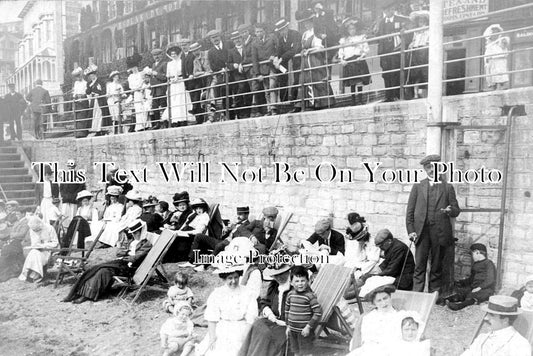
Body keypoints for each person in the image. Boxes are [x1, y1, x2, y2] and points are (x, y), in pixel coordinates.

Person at [406, 154, 461, 293]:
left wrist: (450, 210)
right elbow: (410, 212)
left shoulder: (448, 187)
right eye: (428, 167)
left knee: (436, 265)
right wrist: (411, 230)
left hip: (440, 232)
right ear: (425, 169)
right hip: (422, 232)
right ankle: (417, 294)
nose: (431, 170)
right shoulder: (418, 186)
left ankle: (433, 295)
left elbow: (456, 210)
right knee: (420, 266)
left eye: (434, 167)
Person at [63, 219, 152, 304]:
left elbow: (135, 258)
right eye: (133, 233)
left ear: (141, 231)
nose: (134, 235)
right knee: (95, 269)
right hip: (121, 263)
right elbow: (118, 252)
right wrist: (128, 252)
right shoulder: (133, 242)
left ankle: (88, 295)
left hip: (129, 268)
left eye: (136, 233)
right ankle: (78, 293)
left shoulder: (146, 244)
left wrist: (125, 256)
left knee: (103, 271)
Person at [198, 264, 258, 356]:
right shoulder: (217, 293)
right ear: (224, 279)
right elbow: (212, 317)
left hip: (242, 327)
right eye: (230, 278)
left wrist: (245, 337)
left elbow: (251, 317)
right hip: (223, 327)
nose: (233, 281)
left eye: (236, 277)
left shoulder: (247, 292)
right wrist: (212, 337)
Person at [238, 263, 291, 356]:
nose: (278, 278)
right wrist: (270, 314)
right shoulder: (274, 285)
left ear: (288, 271)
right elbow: (265, 302)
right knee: (257, 325)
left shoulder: (297, 285)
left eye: (281, 274)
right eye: (276, 275)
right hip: (274, 321)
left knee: (265, 334)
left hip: (288, 326)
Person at [347, 277, 403, 355]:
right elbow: (358, 340)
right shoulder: (367, 317)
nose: (384, 303)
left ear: (390, 297)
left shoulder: (399, 315)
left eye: (385, 298)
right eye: (379, 301)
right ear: (374, 303)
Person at [461, 295, 531, 356]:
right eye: (486, 314)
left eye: (491, 315)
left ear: (505, 320)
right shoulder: (482, 338)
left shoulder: (520, 344)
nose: (485, 318)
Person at [295, 9, 335, 111]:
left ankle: (322, 102)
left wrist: (310, 50)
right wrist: (303, 50)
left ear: (312, 22)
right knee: (306, 79)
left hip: (315, 59)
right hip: (306, 61)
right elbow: (303, 46)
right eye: (305, 23)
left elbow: (320, 47)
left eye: (308, 22)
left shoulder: (317, 32)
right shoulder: (305, 34)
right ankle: (309, 104)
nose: (306, 25)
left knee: (317, 78)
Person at [442, 243, 496, 311]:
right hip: (474, 287)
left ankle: (459, 306)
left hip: (485, 289)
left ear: (477, 252)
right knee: (463, 292)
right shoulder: (475, 265)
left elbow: (490, 279)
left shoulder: (488, 263)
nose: (472, 257)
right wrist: (460, 282)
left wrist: (479, 288)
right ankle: (445, 300)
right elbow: (471, 279)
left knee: (473, 296)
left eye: (472, 254)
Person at [285, 265, 322, 356]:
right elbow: (287, 311)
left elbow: (318, 312)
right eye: (297, 281)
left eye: (303, 280)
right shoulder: (290, 295)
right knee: (296, 351)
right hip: (292, 330)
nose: (300, 283)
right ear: (291, 283)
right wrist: (288, 326)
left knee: (306, 352)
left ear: (308, 281)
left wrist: (308, 327)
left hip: (304, 331)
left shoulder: (309, 296)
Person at [375, 1, 406, 102]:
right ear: (384, 11)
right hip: (384, 53)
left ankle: (396, 95)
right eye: (386, 10)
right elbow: (377, 37)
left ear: (393, 9)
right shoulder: (381, 22)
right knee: (386, 74)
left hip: (395, 51)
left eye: (391, 9)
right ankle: (388, 96)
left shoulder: (400, 20)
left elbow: (407, 33)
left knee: (395, 72)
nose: (389, 11)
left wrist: (403, 32)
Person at [338, 17, 371, 106]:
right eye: (350, 29)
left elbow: (366, 49)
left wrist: (362, 56)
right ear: (347, 30)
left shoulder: (361, 37)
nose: (352, 31)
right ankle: (353, 101)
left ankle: (360, 100)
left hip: (358, 60)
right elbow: (341, 52)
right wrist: (342, 60)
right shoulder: (344, 40)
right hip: (349, 61)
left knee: (359, 81)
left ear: (356, 29)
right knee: (352, 82)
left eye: (353, 28)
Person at [18, 216, 59, 283]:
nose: (36, 231)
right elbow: (35, 243)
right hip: (38, 250)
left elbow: (55, 243)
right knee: (34, 252)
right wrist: (36, 245)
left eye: (37, 230)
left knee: (35, 253)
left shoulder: (49, 228)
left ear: (40, 224)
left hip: (49, 250)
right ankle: (34, 274)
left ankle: (31, 274)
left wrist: (44, 245)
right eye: (34, 230)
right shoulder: (32, 230)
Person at [252, 23, 280, 116]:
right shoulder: (254, 43)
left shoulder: (272, 38)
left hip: (272, 66)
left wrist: (275, 55)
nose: (258, 33)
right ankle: (269, 109)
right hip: (263, 68)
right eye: (257, 32)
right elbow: (254, 60)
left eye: (260, 31)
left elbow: (279, 48)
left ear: (264, 31)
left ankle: (274, 108)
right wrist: (257, 74)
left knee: (272, 85)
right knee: (266, 89)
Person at [274, 18, 302, 104]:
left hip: (299, 61)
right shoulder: (281, 38)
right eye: (280, 31)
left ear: (287, 27)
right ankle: (284, 101)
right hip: (289, 61)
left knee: (297, 79)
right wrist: (276, 57)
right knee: (282, 77)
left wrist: (281, 58)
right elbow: (279, 51)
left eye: (283, 29)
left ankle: (296, 101)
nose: (282, 32)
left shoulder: (295, 34)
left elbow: (294, 50)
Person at [206, 30, 231, 122]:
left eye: (216, 36)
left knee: (236, 91)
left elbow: (233, 55)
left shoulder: (228, 44)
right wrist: (221, 69)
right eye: (213, 38)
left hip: (232, 72)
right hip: (221, 75)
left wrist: (228, 66)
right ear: (210, 40)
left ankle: (239, 113)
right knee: (224, 93)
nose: (215, 39)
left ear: (220, 36)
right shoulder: (211, 52)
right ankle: (227, 115)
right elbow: (212, 66)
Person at [0, 207, 30, 282]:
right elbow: (12, 231)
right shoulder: (17, 222)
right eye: (16, 214)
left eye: (18, 214)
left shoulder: (26, 222)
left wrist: (11, 234)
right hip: (12, 240)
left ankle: (4, 274)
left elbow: (22, 234)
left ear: (23, 214)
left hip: (19, 242)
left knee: (6, 251)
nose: (17, 216)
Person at [166, 43, 192, 127]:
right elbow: (168, 75)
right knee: (174, 101)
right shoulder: (169, 64)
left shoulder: (181, 61)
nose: (173, 55)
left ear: (178, 54)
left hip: (180, 82)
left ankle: (183, 119)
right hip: (173, 84)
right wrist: (171, 79)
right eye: (172, 54)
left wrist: (180, 78)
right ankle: (175, 120)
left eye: (175, 54)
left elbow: (184, 72)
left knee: (181, 99)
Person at [228, 31, 252, 120]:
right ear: (233, 41)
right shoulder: (231, 51)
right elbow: (228, 64)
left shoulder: (246, 47)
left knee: (248, 93)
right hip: (238, 75)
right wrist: (234, 65)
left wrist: (242, 63)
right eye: (235, 39)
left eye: (238, 38)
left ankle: (247, 113)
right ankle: (237, 103)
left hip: (248, 73)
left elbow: (250, 57)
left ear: (241, 38)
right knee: (242, 86)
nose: (237, 40)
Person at [406, 11, 429, 99]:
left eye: (423, 21)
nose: (421, 23)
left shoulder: (429, 30)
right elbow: (413, 41)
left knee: (425, 72)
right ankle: (415, 94)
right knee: (415, 73)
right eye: (420, 21)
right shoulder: (416, 32)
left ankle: (427, 93)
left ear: (426, 21)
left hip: (424, 51)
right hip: (416, 51)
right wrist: (411, 45)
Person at [185, 42, 208, 124]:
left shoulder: (206, 55)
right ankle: (199, 118)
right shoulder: (195, 60)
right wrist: (203, 73)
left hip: (204, 80)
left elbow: (209, 68)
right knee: (196, 97)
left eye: (196, 50)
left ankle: (204, 116)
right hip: (195, 80)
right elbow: (195, 73)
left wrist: (203, 72)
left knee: (202, 96)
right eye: (194, 51)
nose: (195, 52)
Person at [85, 64, 110, 136]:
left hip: (100, 100)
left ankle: (101, 129)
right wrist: (89, 87)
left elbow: (104, 91)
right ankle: (96, 129)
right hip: (93, 101)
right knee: (94, 114)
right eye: (90, 76)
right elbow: (87, 92)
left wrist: (98, 93)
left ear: (95, 74)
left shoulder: (100, 82)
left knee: (100, 114)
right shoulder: (89, 83)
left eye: (92, 75)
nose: (91, 77)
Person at [60, 159, 86, 228]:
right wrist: (64, 195)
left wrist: (75, 196)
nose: (70, 168)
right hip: (66, 199)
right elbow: (61, 187)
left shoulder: (79, 176)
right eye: (69, 167)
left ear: (74, 167)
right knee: (64, 215)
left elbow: (81, 187)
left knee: (72, 215)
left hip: (74, 199)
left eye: (72, 167)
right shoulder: (64, 176)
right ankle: (64, 229)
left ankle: (72, 229)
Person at [483, 24, 510, 90]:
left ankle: (502, 89)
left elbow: (505, 42)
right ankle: (493, 89)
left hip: (499, 61)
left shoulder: (501, 41)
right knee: (492, 78)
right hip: (491, 62)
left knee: (501, 77)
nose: (495, 34)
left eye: (497, 32)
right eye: (493, 32)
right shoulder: (489, 45)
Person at [126, 54, 149, 131]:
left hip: (142, 92)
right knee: (138, 109)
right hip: (136, 93)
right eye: (133, 68)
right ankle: (140, 126)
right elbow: (131, 86)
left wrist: (140, 85)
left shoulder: (141, 74)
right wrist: (138, 86)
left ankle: (146, 124)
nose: (134, 69)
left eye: (135, 67)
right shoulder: (130, 77)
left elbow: (143, 83)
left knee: (145, 107)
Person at [150, 48, 169, 129]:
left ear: (161, 55)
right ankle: (157, 123)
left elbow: (165, 76)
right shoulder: (153, 65)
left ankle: (166, 122)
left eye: (158, 55)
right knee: (155, 107)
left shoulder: (164, 63)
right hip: (154, 89)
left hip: (161, 88)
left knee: (163, 105)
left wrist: (156, 74)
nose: (156, 57)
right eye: (154, 55)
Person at [71, 67, 90, 138]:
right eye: (76, 77)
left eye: (78, 77)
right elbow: (75, 91)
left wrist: (82, 97)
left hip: (83, 100)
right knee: (77, 116)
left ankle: (83, 132)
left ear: (81, 76)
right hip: (77, 101)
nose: (77, 78)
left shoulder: (85, 83)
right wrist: (74, 96)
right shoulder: (76, 83)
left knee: (83, 116)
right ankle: (77, 132)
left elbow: (86, 92)